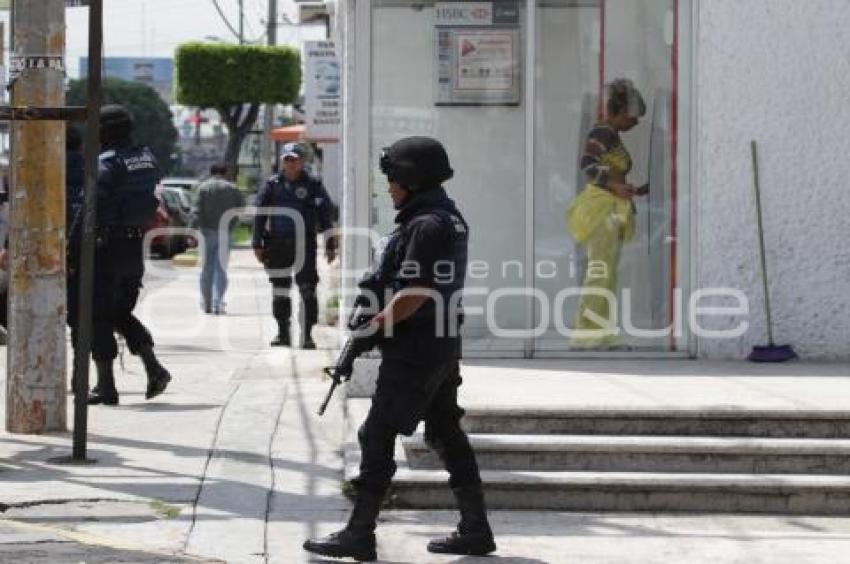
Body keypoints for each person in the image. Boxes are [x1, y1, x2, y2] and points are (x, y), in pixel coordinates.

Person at [303, 137, 496, 561]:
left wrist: (372, 327)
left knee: (376, 434)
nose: (388, 187)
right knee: (445, 431)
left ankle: (360, 532)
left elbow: (415, 293)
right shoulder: (439, 217)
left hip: (418, 347)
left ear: (412, 178)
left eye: (392, 178)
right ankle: (476, 528)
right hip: (437, 343)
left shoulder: (428, 224)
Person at [67, 105, 172, 405]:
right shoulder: (147, 157)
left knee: (97, 315)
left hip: (105, 247)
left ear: (104, 132)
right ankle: (153, 367)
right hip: (133, 247)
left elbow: (89, 212)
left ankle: (106, 386)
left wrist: (72, 249)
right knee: (118, 312)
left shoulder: (106, 164)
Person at [566, 78, 648, 349]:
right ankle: (586, 333)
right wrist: (615, 185)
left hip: (609, 205)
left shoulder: (609, 134)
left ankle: (600, 332)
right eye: (632, 115)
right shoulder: (603, 133)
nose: (635, 121)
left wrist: (627, 188)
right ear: (619, 110)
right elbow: (587, 165)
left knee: (606, 274)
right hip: (602, 208)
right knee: (600, 272)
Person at [252, 142, 336, 349]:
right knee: (280, 289)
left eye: (294, 160)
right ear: (282, 161)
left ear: (302, 161)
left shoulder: (313, 184)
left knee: (308, 289)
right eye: (286, 159)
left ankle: (307, 335)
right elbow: (259, 215)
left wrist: (330, 242)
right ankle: (283, 334)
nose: (290, 164)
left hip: (304, 244)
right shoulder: (273, 184)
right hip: (277, 243)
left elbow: (325, 215)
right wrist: (257, 243)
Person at [196, 163, 244, 314]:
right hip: (225, 232)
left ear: (211, 172)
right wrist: (232, 225)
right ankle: (218, 303)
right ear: (226, 172)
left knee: (206, 269)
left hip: (206, 232)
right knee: (220, 269)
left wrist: (193, 230)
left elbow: (196, 211)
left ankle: (207, 303)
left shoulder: (203, 188)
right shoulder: (233, 189)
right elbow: (240, 209)